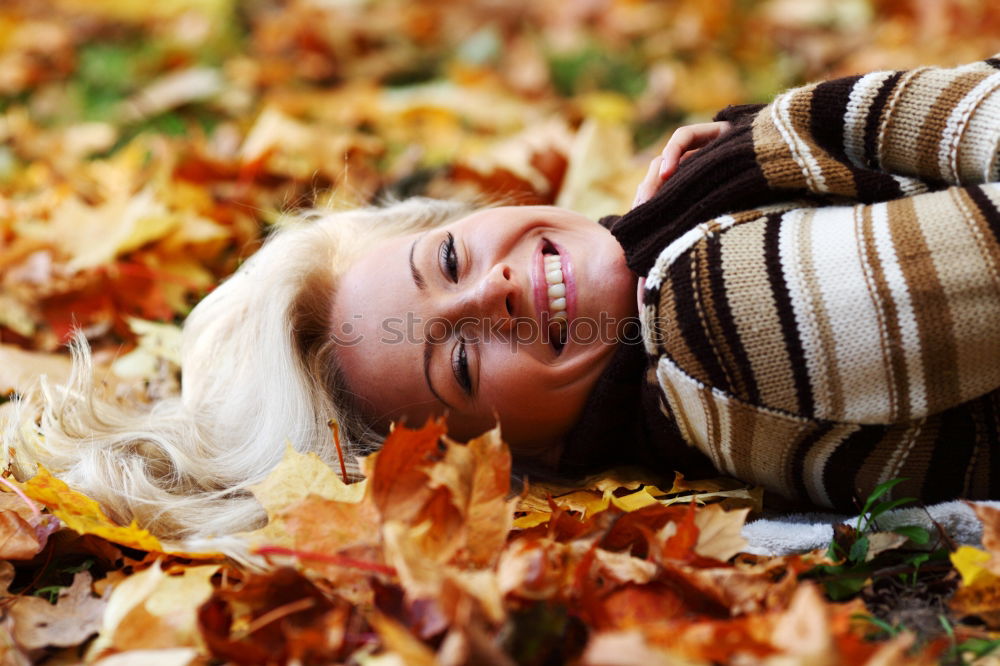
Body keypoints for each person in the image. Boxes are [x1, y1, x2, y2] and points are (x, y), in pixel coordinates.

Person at [4, 55, 999, 554]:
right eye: (464, 362)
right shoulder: (726, 315)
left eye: (448, 257)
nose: (499, 289)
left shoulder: (690, 252)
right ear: (527, 461)